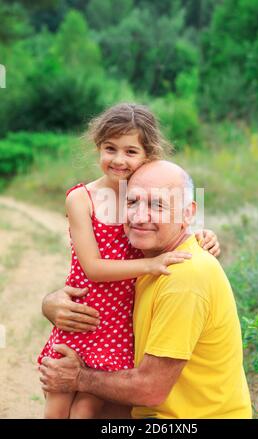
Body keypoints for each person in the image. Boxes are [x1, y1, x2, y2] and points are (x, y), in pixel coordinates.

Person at [37, 103, 220, 419]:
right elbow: (92, 268)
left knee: (88, 407)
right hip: (85, 315)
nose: (119, 160)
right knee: (58, 404)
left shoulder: (144, 198)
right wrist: (150, 264)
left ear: (148, 155)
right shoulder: (83, 198)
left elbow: (180, 221)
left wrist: (205, 234)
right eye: (110, 149)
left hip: (121, 325)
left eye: (131, 151)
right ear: (98, 148)